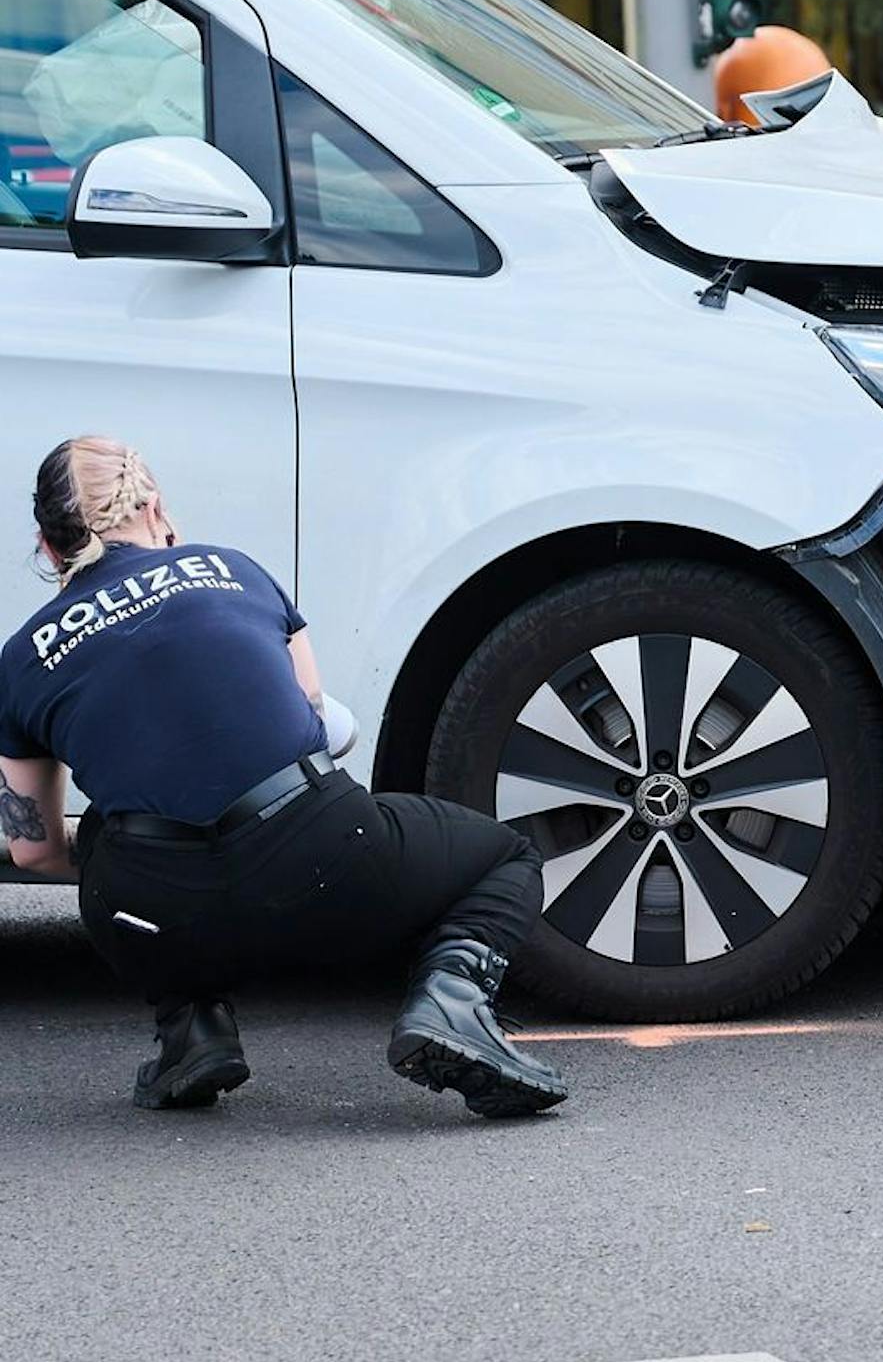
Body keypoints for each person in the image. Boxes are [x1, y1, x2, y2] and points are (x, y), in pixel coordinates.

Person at [0, 437, 567, 1118]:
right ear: (154, 508)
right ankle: (451, 1001)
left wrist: (130, 872)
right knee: (506, 857)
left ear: (47, 544)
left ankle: (193, 1030)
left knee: (106, 829)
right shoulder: (231, 570)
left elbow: (32, 849)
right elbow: (315, 720)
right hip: (321, 863)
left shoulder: (24, 656)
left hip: (155, 912)